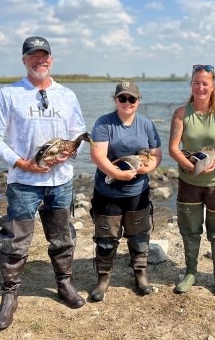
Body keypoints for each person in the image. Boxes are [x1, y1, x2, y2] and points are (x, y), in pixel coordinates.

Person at [0, 36, 87, 330]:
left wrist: (69, 153)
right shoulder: (9, 94)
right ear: (24, 60)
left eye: (44, 56)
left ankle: (64, 284)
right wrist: (22, 163)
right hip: (23, 181)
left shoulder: (67, 95)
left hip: (61, 180)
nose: (39, 60)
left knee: (62, 236)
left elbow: (78, 133)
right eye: (33, 56)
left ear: (51, 60)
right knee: (15, 240)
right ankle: (9, 296)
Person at [169, 65, 215, 297]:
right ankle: (191, 272)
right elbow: (173, 149)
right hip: (189, 181)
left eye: (205, 83)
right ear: (191, 85)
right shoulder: (181, 113)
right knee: (190, 230)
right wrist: (192, 167)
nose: (200, 87)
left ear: (212, 86)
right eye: (196, 83)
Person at [89, 81, 162, 301]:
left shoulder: (147, 125)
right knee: (106, 238)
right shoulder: (103, 123)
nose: (127, 102)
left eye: (132, 99)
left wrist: (147, 168)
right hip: (107, 190)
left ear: (138, 101)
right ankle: (103, 278)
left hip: (138, 191)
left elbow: (156, 155)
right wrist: (118, 175)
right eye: (123, 98)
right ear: (115, 100)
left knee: (139, 234)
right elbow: (98, 156)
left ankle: (140, 273)